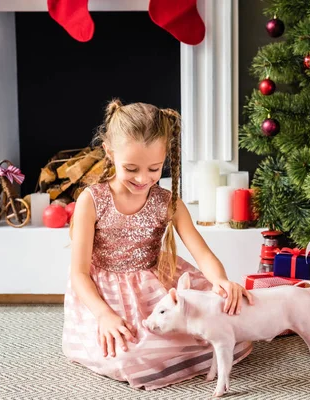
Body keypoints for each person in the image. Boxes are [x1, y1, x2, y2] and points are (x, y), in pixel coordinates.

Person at [62, 100, 253, 389]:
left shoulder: (167, 202)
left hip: (155, 283)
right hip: (106, 295)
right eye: (131, 168)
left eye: (154, 168)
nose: (143, 179)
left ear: (166, 157)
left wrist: (220, 280)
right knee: (127, 354)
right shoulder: (92, 201)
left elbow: (202, 252)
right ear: (109, 152)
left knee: (224, 331)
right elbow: (78, 273)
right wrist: (104, 315)